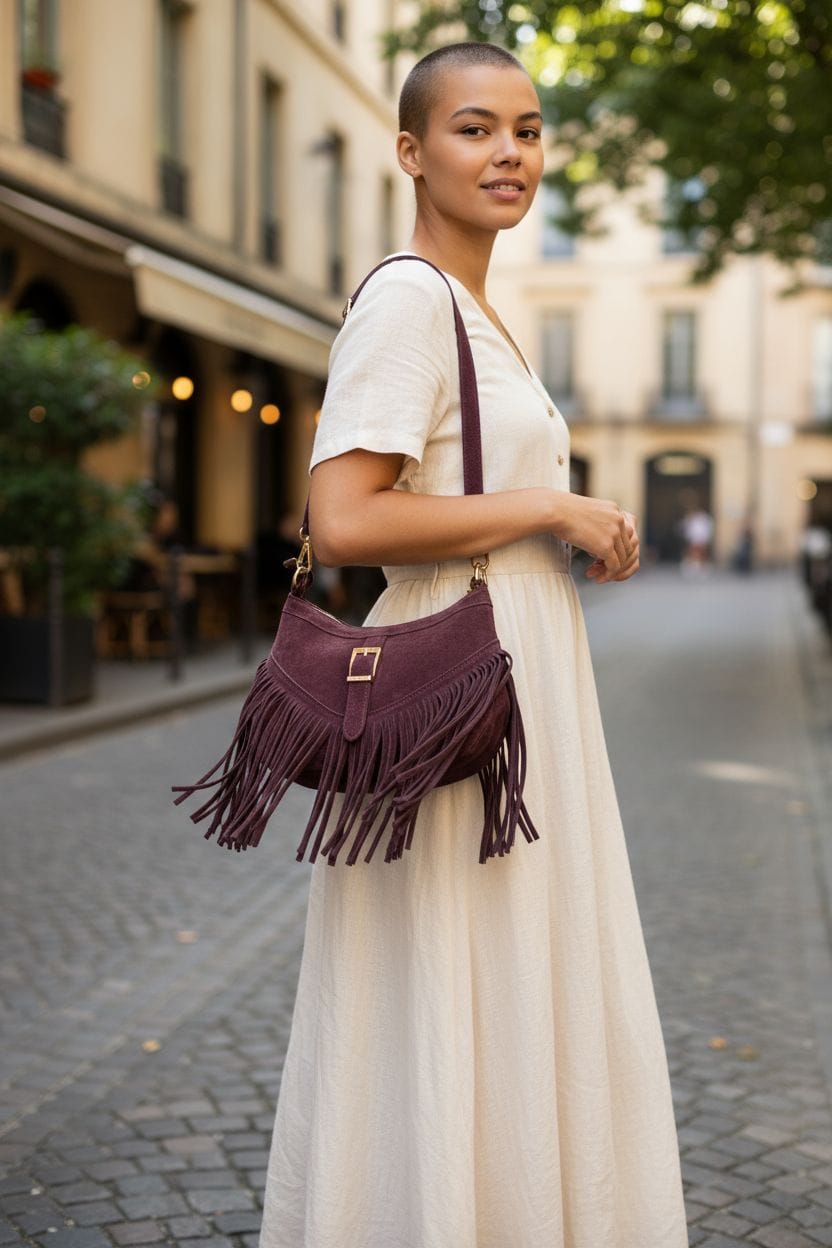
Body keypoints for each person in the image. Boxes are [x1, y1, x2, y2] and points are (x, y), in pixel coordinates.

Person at [258, 42, 688, 1248]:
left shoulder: (476, 309)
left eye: (528, 130)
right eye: (475, 128)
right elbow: (345, 519)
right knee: (458, 972)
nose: (509, 153)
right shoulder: (410, 301)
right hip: (455, 690)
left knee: (504, 971)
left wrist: (564, 526)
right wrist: (550, 506)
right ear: (411, 151)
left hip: (518, 672)